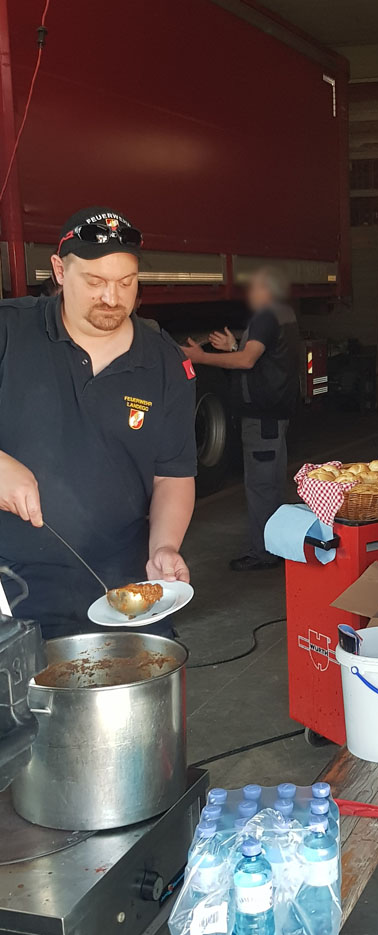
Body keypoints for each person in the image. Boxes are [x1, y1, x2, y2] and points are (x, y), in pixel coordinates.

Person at [0, 206, 197, 638]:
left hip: (124, 588)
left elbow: (173, 476)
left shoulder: (164, 362)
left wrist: (164, 547)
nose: (112, 297)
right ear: (58, 269)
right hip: (13, 589)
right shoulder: (10, 331)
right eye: (94, 282)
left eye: (125, 282)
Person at [182, 266, 300, 571]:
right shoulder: (283, 313)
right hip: (273, 415)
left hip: (262, 416)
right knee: (270, 485)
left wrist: (201, 357)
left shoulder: (265, 316)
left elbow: (248, 360)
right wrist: (233, 346)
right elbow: (264, 357)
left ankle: (264, 553)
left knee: (262, 487)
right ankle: (275, 546)